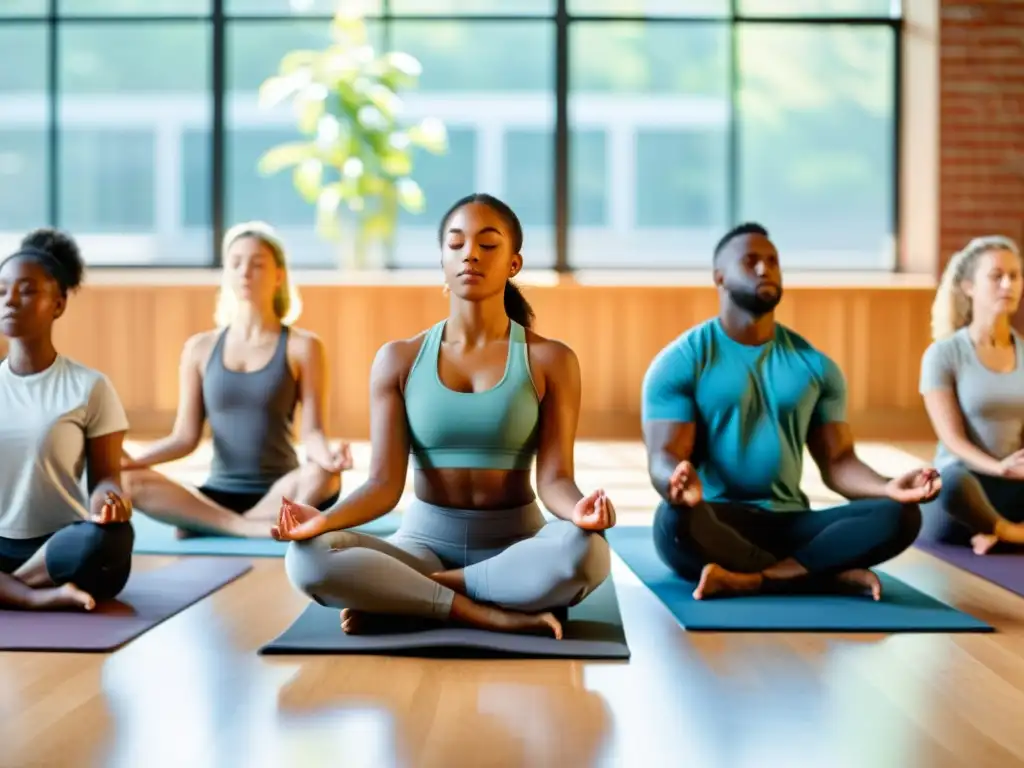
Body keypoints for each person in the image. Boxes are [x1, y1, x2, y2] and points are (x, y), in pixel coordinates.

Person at [272, 194, 613, 639]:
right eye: (456, 244)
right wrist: (323, 520)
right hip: (422, 545)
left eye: (488, 245)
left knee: (589, 554)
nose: (470, 253)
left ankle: (414, 597)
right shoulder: (398, 359)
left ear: (514, 263)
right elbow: (382, 486)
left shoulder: (551, 359)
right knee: (306, 559)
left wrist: (581, 512)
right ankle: (488, 612)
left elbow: (555, 480)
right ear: (442, 260)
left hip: (519, 545)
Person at [641, 222, 940, 601]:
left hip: (792, 521)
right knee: (671, 522)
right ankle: (816, 572)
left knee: (900, 514)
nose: (765, 269)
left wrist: (886, 486)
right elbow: (663, 457)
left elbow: (839, 462)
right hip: (715, 517)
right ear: (719, 276)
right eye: (751, 261)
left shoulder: (815, 366)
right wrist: (676, 482)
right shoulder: (681, 361)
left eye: (773, 261)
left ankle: (757, 578)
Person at [122, 222, 350, 538]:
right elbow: (184, 438)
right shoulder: (199, 349)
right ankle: (247, 528)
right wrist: (131, 462)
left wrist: (330, 457)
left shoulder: (303, 347)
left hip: (282, 491)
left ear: (279, 275)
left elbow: (312, 432)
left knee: (325, 476)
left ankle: (218, 524)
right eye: (236, 263)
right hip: (217, 494)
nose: (246, 272)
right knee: (126, 482)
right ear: (227, 273)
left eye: (257, 264)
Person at [0, 228, 134, 611]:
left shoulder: (90, 386)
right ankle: (31, 597)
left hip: (61, 547)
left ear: (58, 304)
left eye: (26, 291)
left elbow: (107, 476)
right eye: (1, 290)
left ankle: (11, 590)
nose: (10, 301)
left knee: (111, 539)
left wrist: (109, 500)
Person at [918, 235, 1024, 554]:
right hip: (964, 489)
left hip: (1013, 486)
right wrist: (999, 468)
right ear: (968, 287)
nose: (1008, 284)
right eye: (996, 276)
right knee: (949, 482)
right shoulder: (943, 353)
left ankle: (996, 530)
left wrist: (1013, 470)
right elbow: (952, 441)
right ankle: (1009, 532)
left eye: (1015, 276)